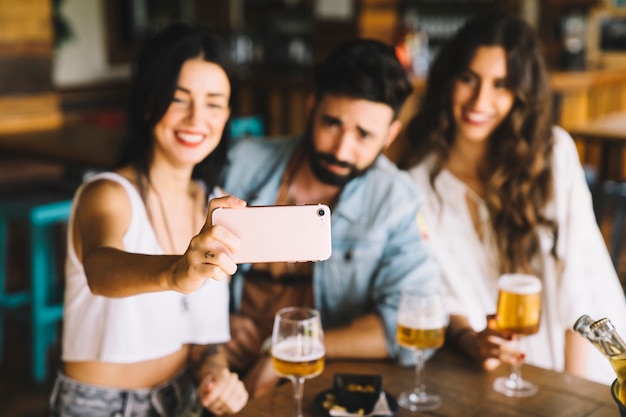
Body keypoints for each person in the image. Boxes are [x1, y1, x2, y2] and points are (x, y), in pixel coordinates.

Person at [400, 12, 626, 385]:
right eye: (468, 78)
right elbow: (435, 289)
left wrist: (573, 390)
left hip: (577, 362)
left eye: (501, 84)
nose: (480, 100)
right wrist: (473, 341)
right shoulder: (416, 182)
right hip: (477, 370)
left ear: (521, 94)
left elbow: (579, 282)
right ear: (448, 81)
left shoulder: (551, 155)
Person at [221, 38, 441, 397]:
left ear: (390, 136)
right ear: (311, 107)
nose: (341, 149)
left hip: (323, 385)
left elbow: (410, 326)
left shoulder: (397, 200)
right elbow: (181, 263)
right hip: (222, 372)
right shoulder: (241, 165)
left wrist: (285, 350)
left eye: (364, 135)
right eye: (332, 123)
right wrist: (214, 326)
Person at [49, 23, 249, 416]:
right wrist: (175, 272)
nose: (196, 118)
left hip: (182, 400)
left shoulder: (214, 207)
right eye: (179, 99)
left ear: (226, 114)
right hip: (100, 406)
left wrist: (216, 373)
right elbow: (101, 270)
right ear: (148, 104)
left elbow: (204, 339)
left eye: (213, 102)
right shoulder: (107, 193)